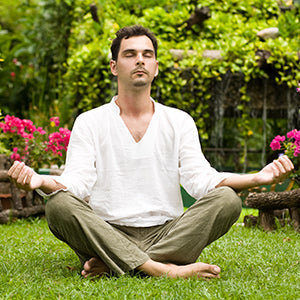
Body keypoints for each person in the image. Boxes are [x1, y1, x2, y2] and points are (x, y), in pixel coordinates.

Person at [8, 25, 294, 280]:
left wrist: (258, 177)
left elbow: (201, 179)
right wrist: (40, 181)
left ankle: (114, 263)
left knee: (228, 201)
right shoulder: (90, 121)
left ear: (156, 67)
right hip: (106, 231)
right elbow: (77, 182)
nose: (140, 59)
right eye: (130, 54)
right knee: (58, 205)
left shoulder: (179, 120)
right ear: (114, 66)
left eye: (147, 54)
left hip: (167, 233)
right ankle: (163, 268)